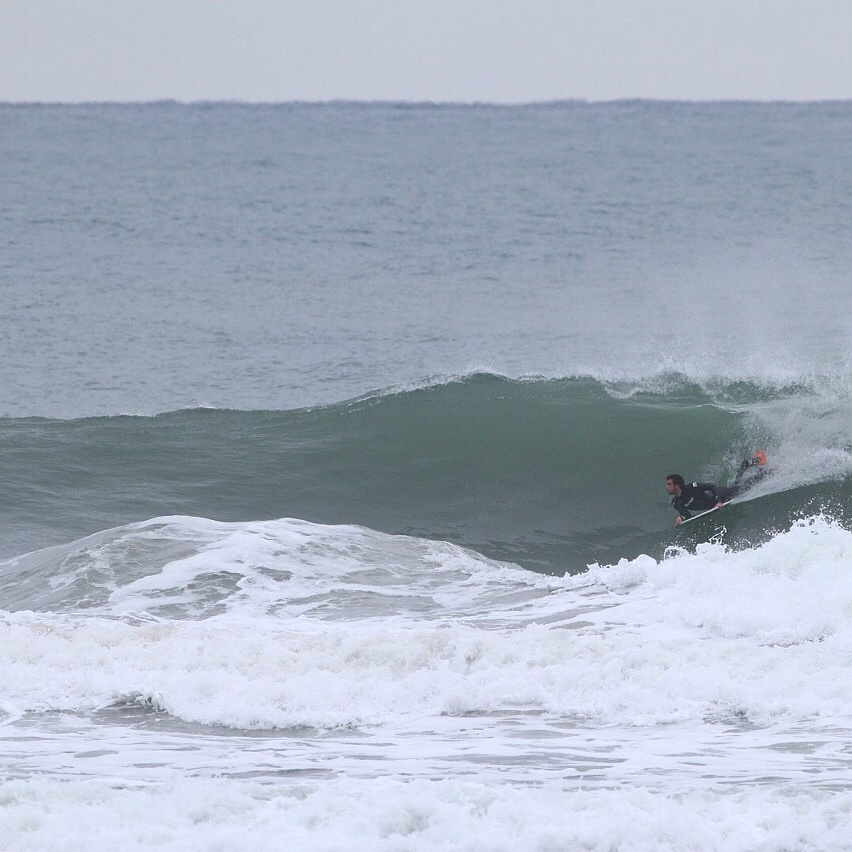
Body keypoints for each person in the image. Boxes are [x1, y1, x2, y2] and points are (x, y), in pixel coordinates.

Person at [666, 452, 767, 525]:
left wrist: (718, 501)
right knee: (734, 483)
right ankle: (745, 464)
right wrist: (681, 519)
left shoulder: (692, 487)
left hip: (720, 495)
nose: (667, 487)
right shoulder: (676, 503)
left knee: (745, 487)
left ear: (677, 485)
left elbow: (713, 487)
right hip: (716, 502)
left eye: (669, 484)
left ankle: (767, 472)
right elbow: (686, 515)